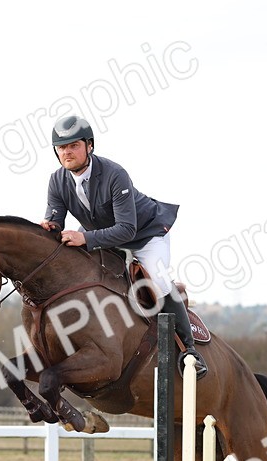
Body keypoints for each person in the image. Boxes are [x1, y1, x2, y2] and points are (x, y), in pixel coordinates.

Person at [39, 115, 207, 379]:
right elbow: (57, 223)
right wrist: (50, 228)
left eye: (73, 145)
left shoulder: (114, 174)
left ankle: (190, 350)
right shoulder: (57, 181)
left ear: (89, 146)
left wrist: (86, 239)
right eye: (62, 147)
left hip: (145, 234)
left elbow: (126, 229)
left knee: (160, 280)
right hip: (101, 235)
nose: (67, 152)